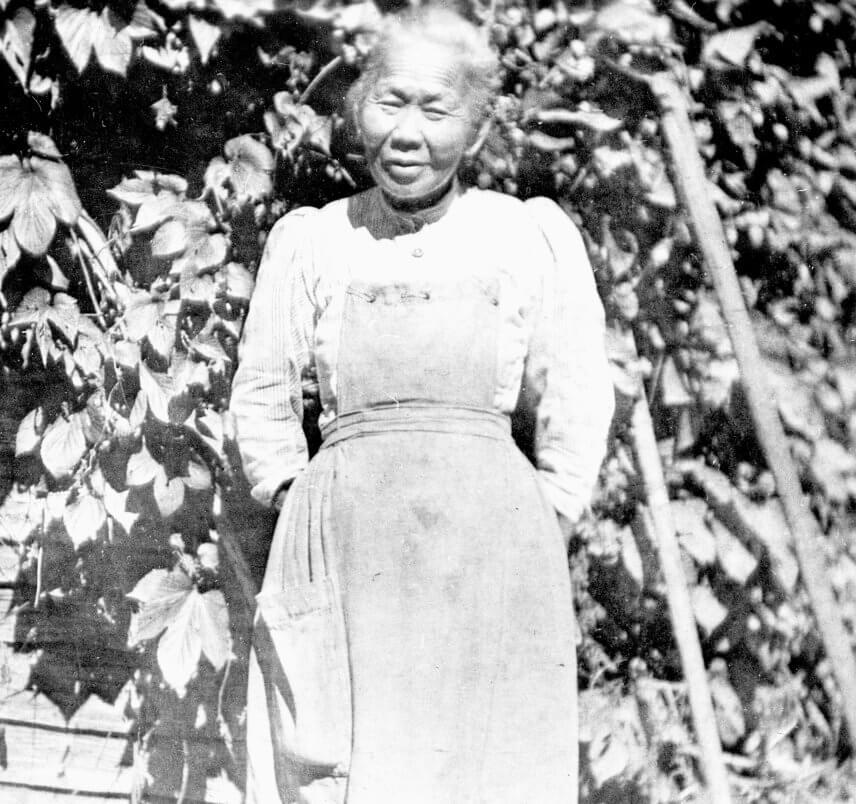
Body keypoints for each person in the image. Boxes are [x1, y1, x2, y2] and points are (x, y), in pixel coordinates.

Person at [229, 5, 614, 802]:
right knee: (339, 761)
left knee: (483, 767)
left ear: (475, 132)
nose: (406, 134)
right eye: (388, 101)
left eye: (435, 110)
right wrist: (298, 501)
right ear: (356, 107)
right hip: (346, 556)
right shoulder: (313, 240)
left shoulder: (524, 236)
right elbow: (262, 392)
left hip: (490, 556)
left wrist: (548, 514)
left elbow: (577, 386)